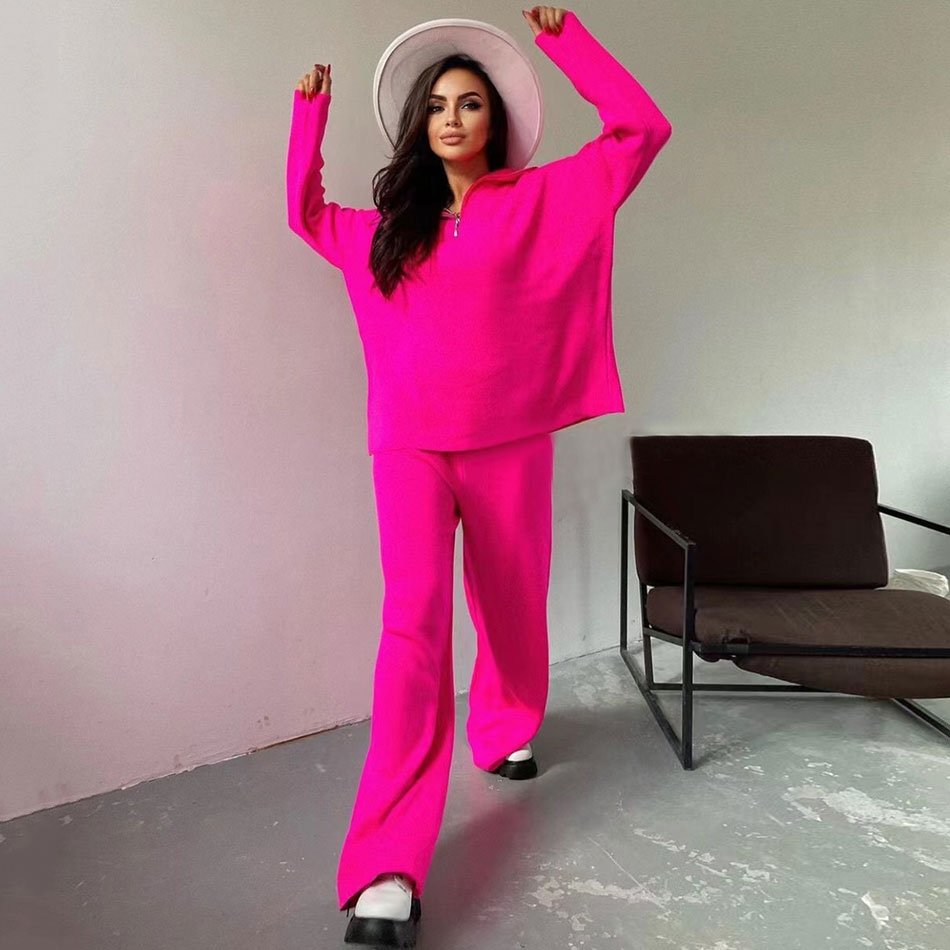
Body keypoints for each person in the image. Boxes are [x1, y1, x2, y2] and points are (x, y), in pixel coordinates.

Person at [287, 6, 672, 947]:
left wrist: (565, 39)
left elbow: (641, 130)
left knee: (509, 597)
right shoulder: (388, 229)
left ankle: (505, 728)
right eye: (437, 106)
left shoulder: (543, 199)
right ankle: (385, 866)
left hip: (511, 442)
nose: (452, 118)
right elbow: (306, 215)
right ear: (419, 124)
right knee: (411, 631)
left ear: (495, 120)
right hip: (409, 450)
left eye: (470, 103)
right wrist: (308, 122)